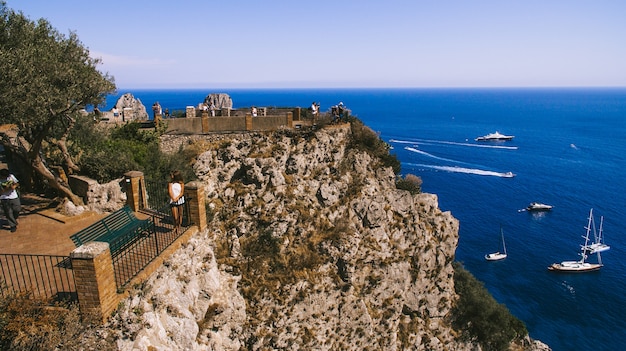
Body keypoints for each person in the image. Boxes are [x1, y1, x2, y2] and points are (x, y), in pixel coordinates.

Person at [0, 168, 20, 233]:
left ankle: (14, 219)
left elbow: (17, 183)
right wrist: (7, 189)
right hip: (4, 198)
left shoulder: (11, 176)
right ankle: (12, 225)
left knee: (17, 209)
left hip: (14, 197)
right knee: (8, 212)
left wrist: (14, 186)